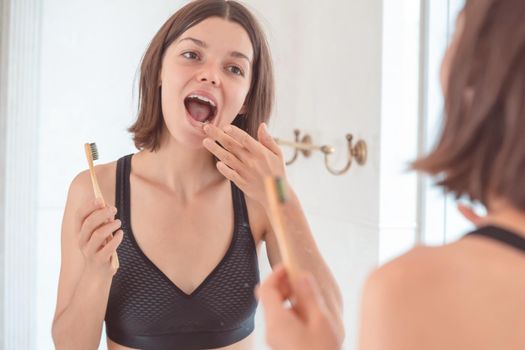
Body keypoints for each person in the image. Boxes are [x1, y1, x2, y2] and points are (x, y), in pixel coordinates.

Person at [51, 1, 343, 349]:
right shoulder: (97, 191)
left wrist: (280, 193)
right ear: (160, 69)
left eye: (234, 68)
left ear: (247, 99)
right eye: (192, 55)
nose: (210, 75)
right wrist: (96, 273)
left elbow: (331, 333)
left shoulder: (257, 197)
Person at [259, 0, 525, 349]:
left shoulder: (417, 289)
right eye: (191, 56)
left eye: (454, 34)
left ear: (477, 75)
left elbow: (332, 317)